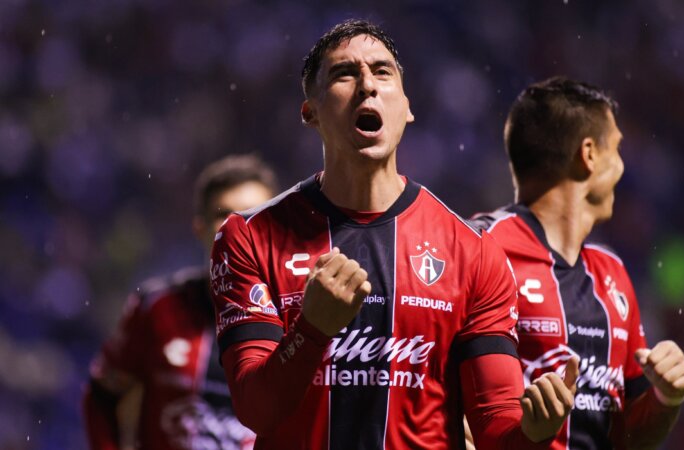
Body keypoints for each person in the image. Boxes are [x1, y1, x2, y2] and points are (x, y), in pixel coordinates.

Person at [210, 19, 577, 450]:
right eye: (344, 74)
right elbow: (256, 409)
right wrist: (311, 330)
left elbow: (496, 428)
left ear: (406, 108)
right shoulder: (248, 237)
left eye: (382, 72)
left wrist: (534, 433)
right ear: (310, 113)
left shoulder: (473, 252)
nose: (367, 84)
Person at [471, 76, 684, 449]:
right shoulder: (478, 247)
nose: (623, 167)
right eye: (617, 149)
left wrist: (666, 398)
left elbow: (627, 437)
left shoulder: (612, 273)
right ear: (588, 154)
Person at [83, 154, 278, 450]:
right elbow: (101, 397)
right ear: (200, 229)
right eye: (225, 216)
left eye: (254, 216)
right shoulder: (157, 308)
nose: (239, 229)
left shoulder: (301, 317)